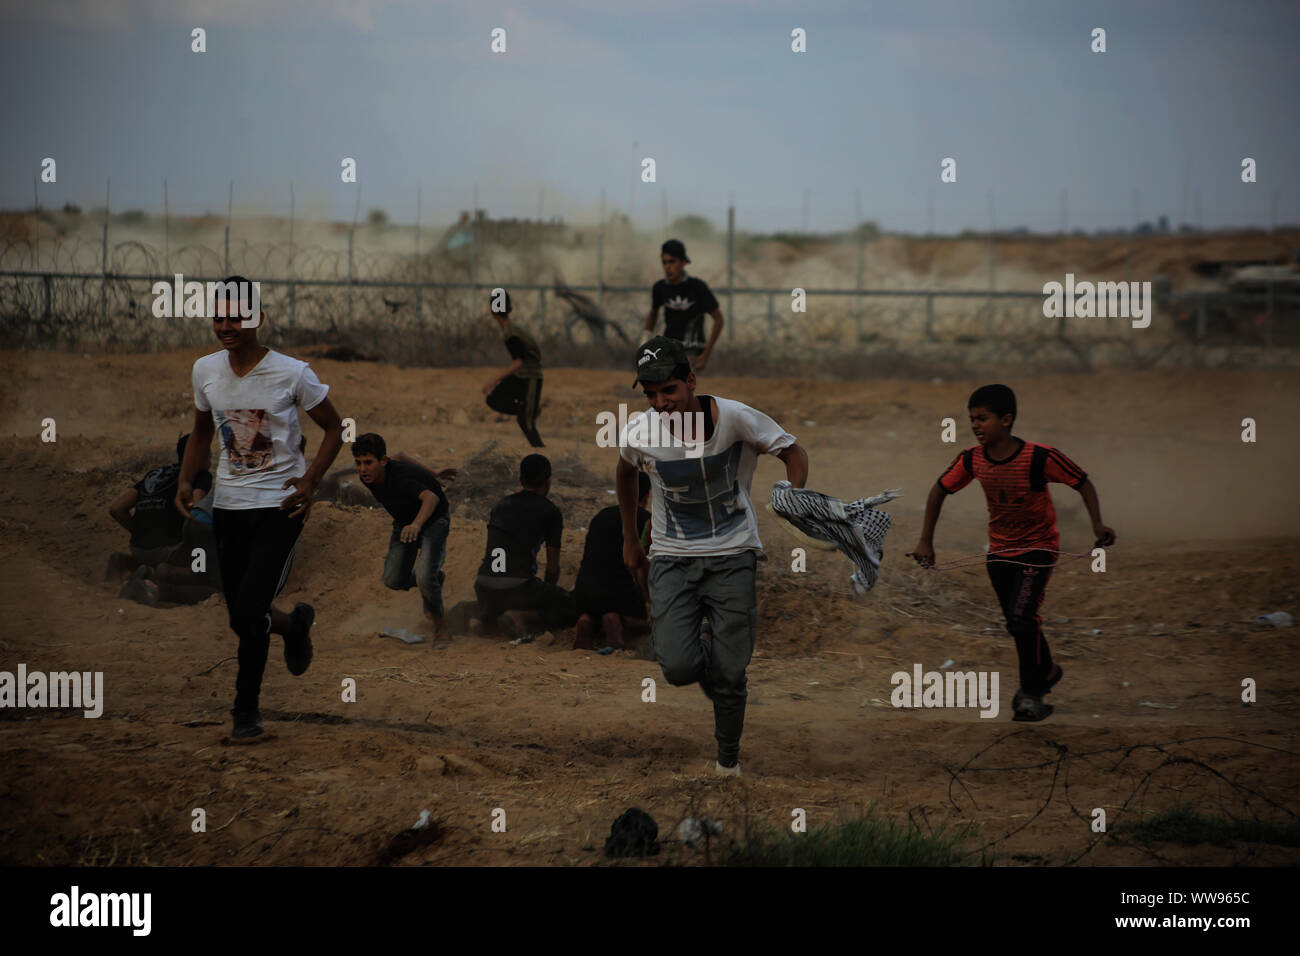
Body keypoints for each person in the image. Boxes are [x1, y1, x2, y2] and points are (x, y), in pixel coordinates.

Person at [617, 336, 809, 776]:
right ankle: (705, 653)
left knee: (730, 671)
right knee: (679, 667)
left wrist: (798, 498)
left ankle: (728, 761)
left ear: (690, 380)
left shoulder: (737, 418)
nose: (660, 402)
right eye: (650, 394)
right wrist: (630, 538)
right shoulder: (639, 432)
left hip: (733, 553)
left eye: (669, 390)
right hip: (671, 557)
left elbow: (792, 452)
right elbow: (625, 472)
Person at [177, 275, 345, 740]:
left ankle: (244, 711)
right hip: (229, 507)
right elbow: (202, 433)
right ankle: (292, 626)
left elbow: (335, 428)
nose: (226, 325)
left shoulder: (293, 373)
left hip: (279, 506)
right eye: (219, 317)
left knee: (249, 610)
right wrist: (188, 481)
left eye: (236, 316)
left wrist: (311, 483)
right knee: (240, 615)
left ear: (258, 319)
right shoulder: (205, 370)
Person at [908, 384, 1116, 722]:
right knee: (1018, 623)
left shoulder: (1039, 457)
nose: (976, 426)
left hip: (1038, 549)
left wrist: (1098, 525)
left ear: (1007, 420)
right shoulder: (972, 460)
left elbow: (1082, 482)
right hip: (1000, 553)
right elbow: (939, 490)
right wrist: (925, 542)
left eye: (983, 419)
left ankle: (1031, 695)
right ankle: (1046, 670)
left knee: (1022, 620)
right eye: (972, 419)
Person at [353, 433, 451, 639]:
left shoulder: (400, 479)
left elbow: (431, 498)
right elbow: (400, 454)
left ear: (383, 461)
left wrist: (416, 524)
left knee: (424, 577)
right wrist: (433, 471)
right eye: (359, 463)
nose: (363, 469)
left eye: (368, 463)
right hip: (404, 522)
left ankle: (441, 627)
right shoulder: (369, 476)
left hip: (433, 520)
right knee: (392, 579)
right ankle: (433, 578)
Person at [471, 453, 575, 638]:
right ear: (548, 481)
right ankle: (520, 616)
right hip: (518, 589)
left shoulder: (501, 505)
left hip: (484, 584)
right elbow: (552, 568)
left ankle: (483, 616)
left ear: (520, 479)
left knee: (499, 599)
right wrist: (546, 595)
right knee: (571, 605)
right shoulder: (550, 511)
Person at [107, 434, 212, 580]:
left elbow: (116, 509)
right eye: (206, 450)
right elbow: (197, 512)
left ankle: (127, 564)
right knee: (204, 552)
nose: (210, 454)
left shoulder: (154, 475)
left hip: (137, 548)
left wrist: (139, 532)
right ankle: (168, 573)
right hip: (171, 550)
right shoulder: (200, 476)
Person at [573, 472, 652, 651]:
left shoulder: (601, 516)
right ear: (647, 496)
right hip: (620, 598)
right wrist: (649, 598)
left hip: (584, 595)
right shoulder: (647, 521)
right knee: (645, 621)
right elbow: (645, 568)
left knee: (595, 609)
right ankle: (618, 620)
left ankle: (586, 619)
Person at [644, 239, 724, 372]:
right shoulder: (660, 288)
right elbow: (653, 314)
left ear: (683, 262)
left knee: (683, 388)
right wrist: (644, 342)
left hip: (692, 351)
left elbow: (718, 319)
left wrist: (706, 354)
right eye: (664, 262)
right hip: (668, 350)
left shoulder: (697, 287)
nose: (667, 267)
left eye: (672, 261)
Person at [483, 289, 544, 447]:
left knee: (526, 423)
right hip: (521, 375)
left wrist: (493, 380)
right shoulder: (511, 329)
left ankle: (540, 450)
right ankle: (528, 410)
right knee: (494, 399)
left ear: (492, 310)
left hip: (530, 376)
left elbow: (519, 361)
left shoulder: (511, 333)